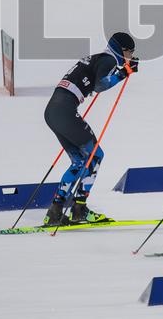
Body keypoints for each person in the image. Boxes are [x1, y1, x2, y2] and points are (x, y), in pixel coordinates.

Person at [43, 32, 138, 226]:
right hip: (65, 111)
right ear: (120, 50)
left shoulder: (97, 58)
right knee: (96, 155)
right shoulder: (109, 60)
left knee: (79, 161)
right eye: (129, 52)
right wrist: (123, 73)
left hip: (53, 111)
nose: (129, 57)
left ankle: (55, 211)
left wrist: (123, 71)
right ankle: (79, 209)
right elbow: (100, 85)